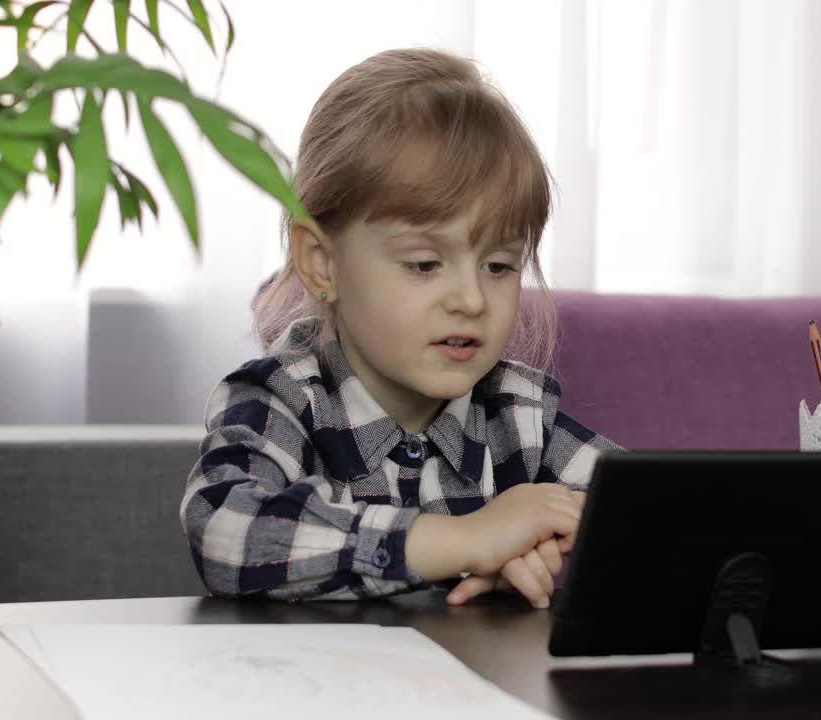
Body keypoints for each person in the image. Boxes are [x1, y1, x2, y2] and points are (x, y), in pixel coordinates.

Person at [181, 48, 620, 610]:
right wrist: (465, 540)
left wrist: (542, 538)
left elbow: (654, 511)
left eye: (499, 266)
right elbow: (224, 531)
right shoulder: (283, 401)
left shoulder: (519, 416)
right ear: (323, 264)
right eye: (424, 265)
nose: (470, 300)